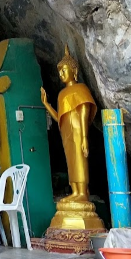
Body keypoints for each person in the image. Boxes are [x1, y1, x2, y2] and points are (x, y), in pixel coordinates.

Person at [41, 46, 97, 203]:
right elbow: (60, 118)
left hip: (79, 129)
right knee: (71, 161)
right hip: (67, 133)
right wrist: (46, 104)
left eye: (64, 70)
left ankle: (82, 193)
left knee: (80, 159)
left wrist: (85, 136)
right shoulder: (61, 94)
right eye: (59, 72)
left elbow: (84, 110)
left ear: (74, 71)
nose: (61, 74)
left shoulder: (80, 89)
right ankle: (75, 190)